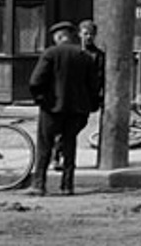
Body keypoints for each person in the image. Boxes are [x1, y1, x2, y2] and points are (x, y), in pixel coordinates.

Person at [27, 21, 100, 196]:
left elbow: (35, 81)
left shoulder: (51, 53)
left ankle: (39, 184)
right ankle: (67, 185)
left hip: (52, 108)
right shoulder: (84, 56)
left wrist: (41, 99)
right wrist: (90, 104)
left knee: (45, 146)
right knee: (69, 146)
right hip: (76, 109)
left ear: (58, 37)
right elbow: (94, 85)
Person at [53, 18, 105, 171]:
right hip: (69, 96)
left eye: (91, 34)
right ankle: (59, 156)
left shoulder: (98, 55)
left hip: (85, 98)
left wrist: (97, 97)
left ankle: (59, 150)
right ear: (79, 34)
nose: (88, 37)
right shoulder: (74, 52)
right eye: (85, 33)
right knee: (64, 127)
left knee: (79, 124)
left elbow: (99, 78)